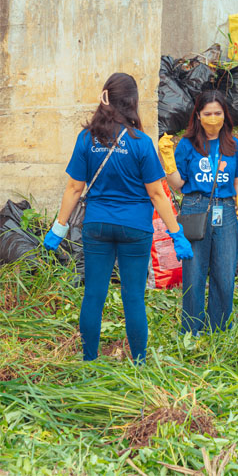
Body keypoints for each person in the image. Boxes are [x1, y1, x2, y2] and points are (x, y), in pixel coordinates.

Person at [43, 73, 194, 363]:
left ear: (104, 98)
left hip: (97, 226)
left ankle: (89, 360)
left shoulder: (86, 139)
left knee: (94, 296)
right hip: (135, 228)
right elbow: (157, 195)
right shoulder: (140, 142)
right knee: (133, 297)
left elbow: (75, 188)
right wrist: (176, 234)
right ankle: (138, 362)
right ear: (133, 102)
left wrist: (59, 228)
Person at [158, 90, 238, 335]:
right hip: (195, 207)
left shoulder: (234, 144)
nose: (213, 118)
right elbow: (177, 184)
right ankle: (191, 329)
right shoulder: (188, 144)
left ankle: (218, 328)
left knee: (225, 271)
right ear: (198, 115)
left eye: (217, 113)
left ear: (224, 115)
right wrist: (168, 161)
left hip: (227, 210)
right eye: (207, 113)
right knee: (194, 272)